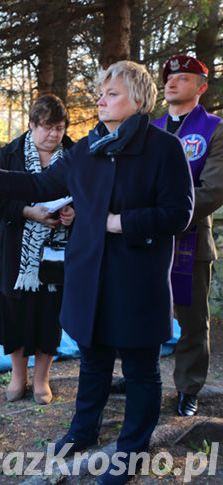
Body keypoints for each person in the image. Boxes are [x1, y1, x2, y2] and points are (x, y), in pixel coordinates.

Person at [0, 61, 193, 485]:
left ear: (138, 100)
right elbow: (40, 184)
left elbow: (179, 213)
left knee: (140, 368)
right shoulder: (86, 148)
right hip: (89, 275)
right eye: (101, 93)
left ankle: (130, 450)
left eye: (112, 93)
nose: (100, 100)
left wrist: (121, 223)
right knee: (94, 359)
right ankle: (82, 432)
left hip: (136, 277)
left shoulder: (164, 148)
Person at [111, 56, 223, 417]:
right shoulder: (148, 127)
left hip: (189, 238)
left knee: (191, 321)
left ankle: (188, 388)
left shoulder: (215, 129)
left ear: (202, 87)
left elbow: (214, 189)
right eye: (169, 78)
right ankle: (138, 375)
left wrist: (166, 217)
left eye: (183, 78)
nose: (172, 83)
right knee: (140, 310)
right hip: (146, 239)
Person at [0, 95, 75, 405]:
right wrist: (28, 212)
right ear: (31, 125)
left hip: (58, 253)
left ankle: (42, 381)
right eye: (47, 127)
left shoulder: (74, 154)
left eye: (59, 128)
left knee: (50, 316)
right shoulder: (9, 153)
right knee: (15, 315)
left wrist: (76, 213)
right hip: (15, 251)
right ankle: (18, 377)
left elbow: (90, 195)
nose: (54, 135)